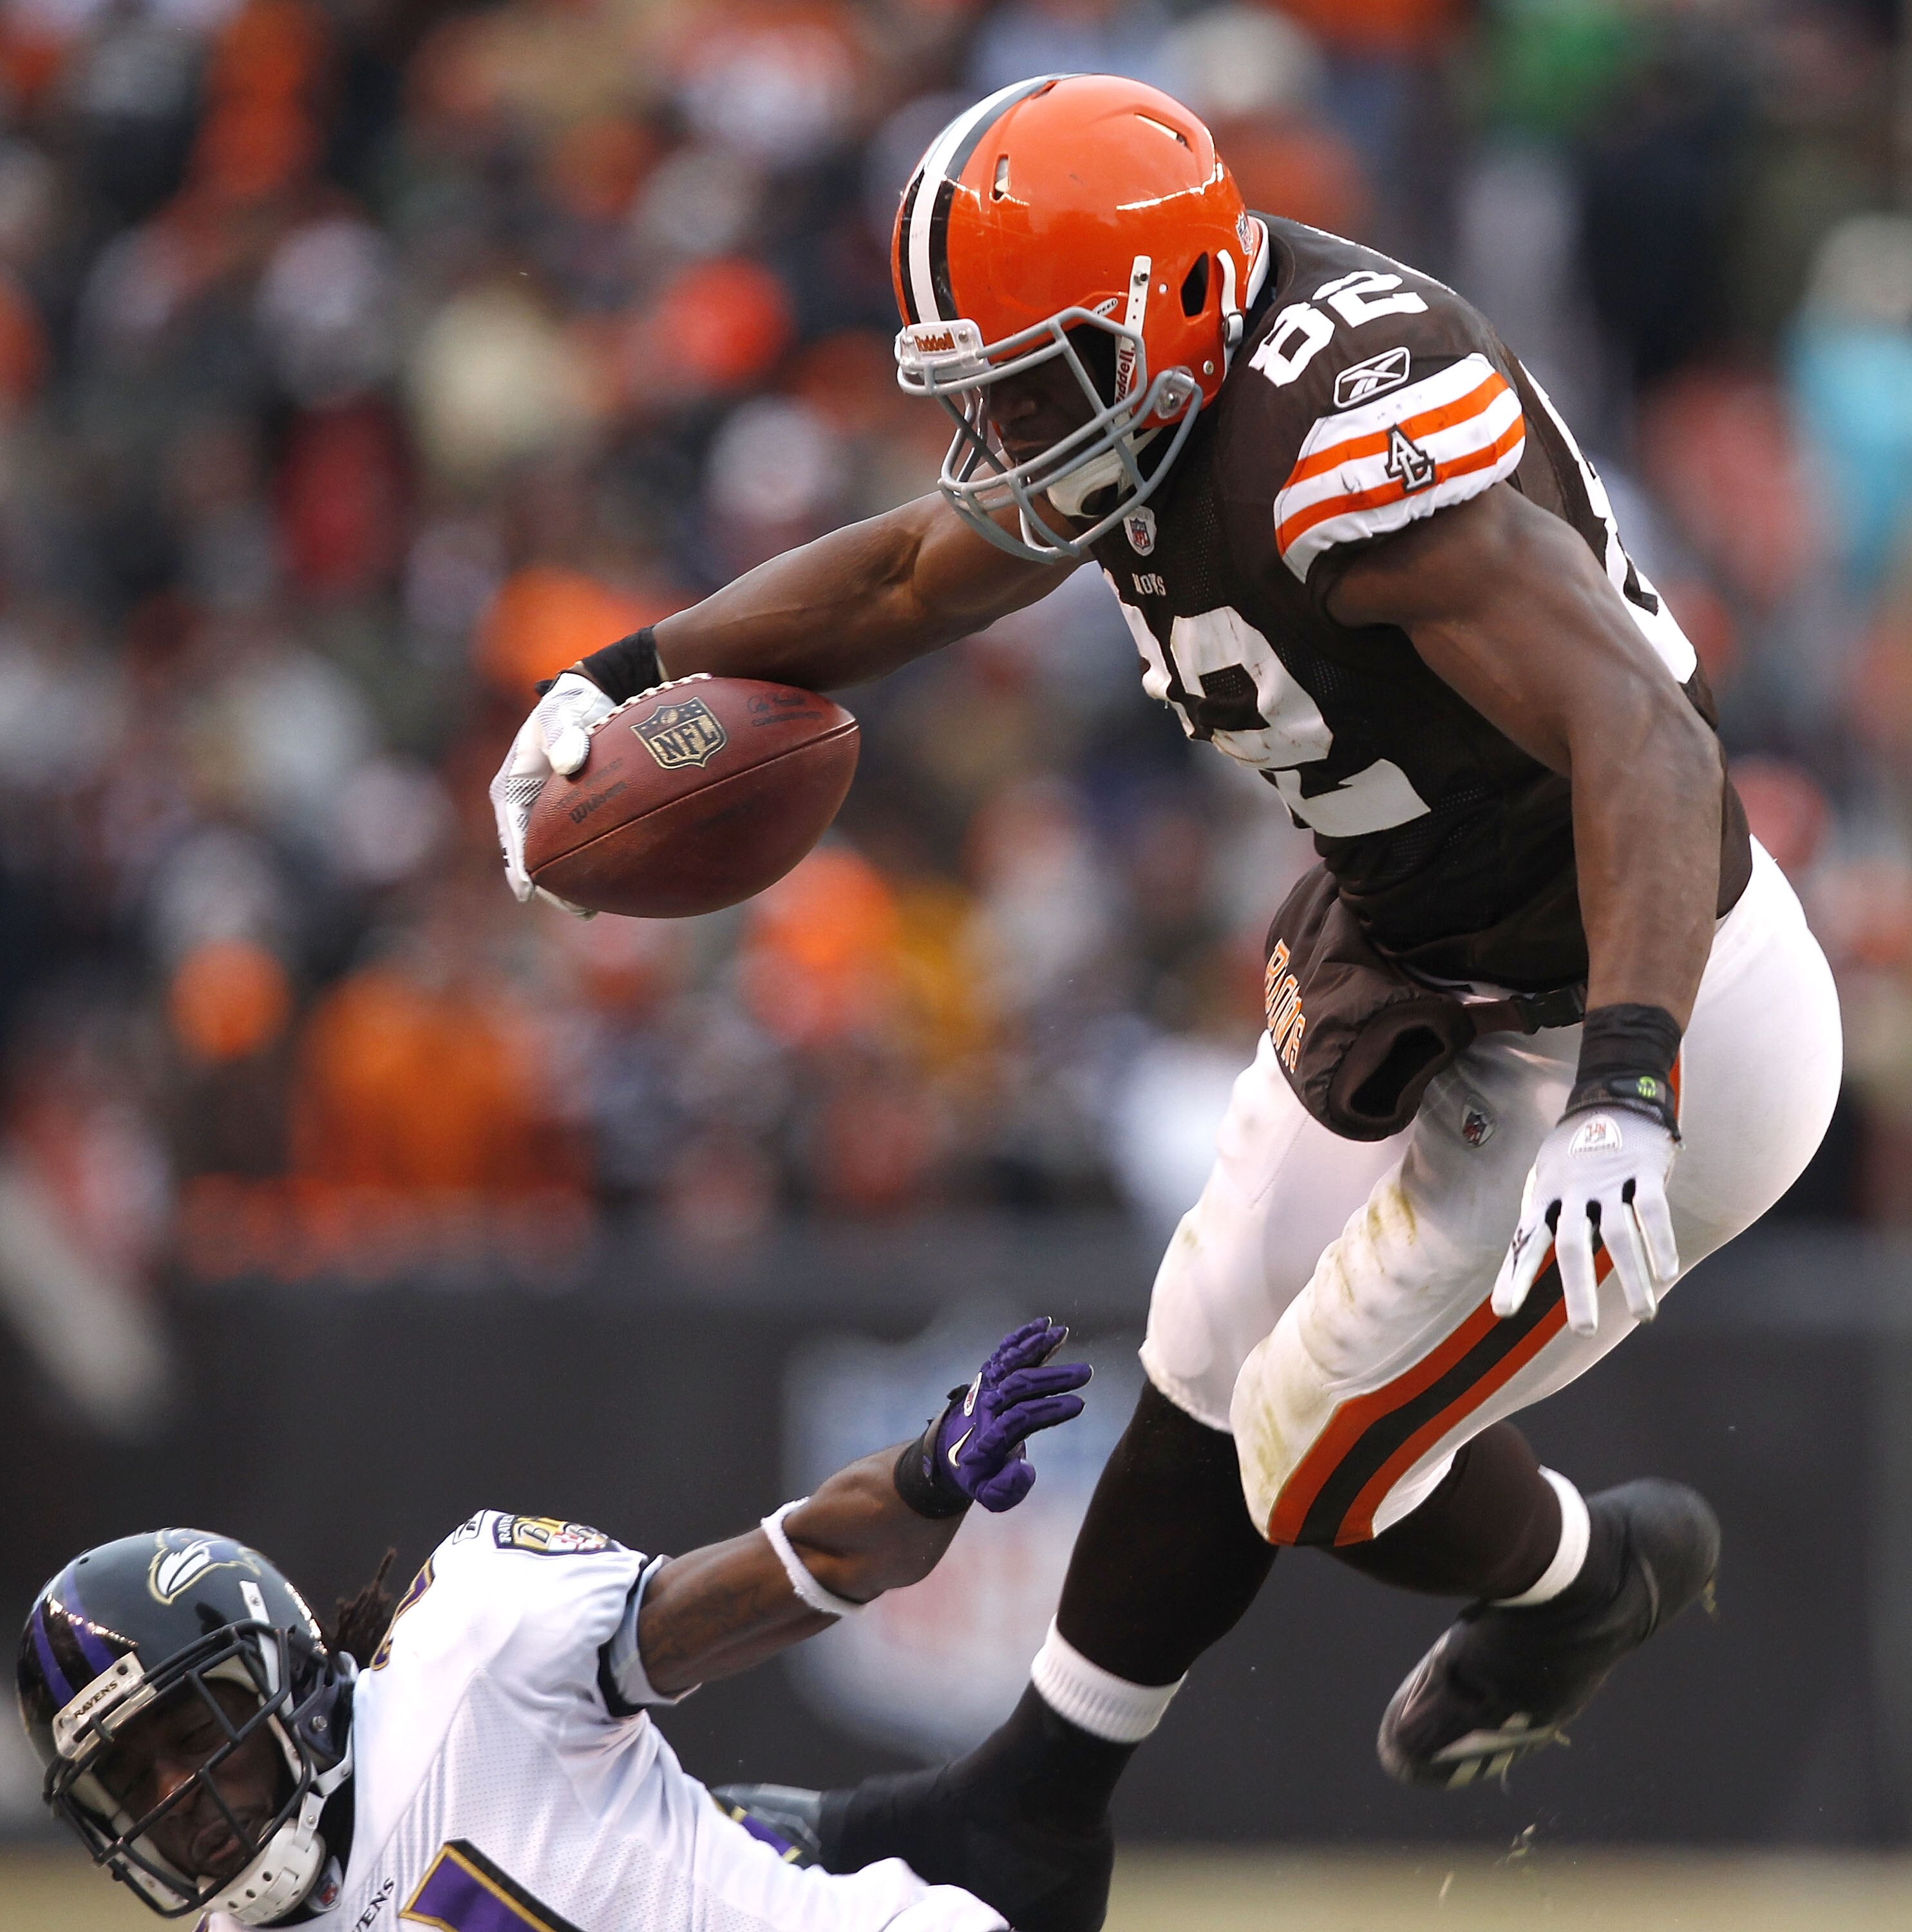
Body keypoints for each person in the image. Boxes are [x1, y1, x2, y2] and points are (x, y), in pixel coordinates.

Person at [489, 71, 1843, 1932]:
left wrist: (1628, 1074)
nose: (1000, 433)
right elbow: (905, 569)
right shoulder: (1140, 397)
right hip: (1419, 942)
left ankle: (1584, 1578)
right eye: (977, 385)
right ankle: (1031, 1812)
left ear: (1178, 320)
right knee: (1207, 1332)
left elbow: (1644, 732)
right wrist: (614, 670)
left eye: (1030, 383)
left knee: (1314, 1445)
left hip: (1652, 986)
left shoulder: (1335, 445)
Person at [15, 1320, 1090, 1930]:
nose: (176, 1799)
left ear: (283, 1681)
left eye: (195, 1737)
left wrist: (925, 1476)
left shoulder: (472, 1646)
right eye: (129, 1778)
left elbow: (795, 1567)